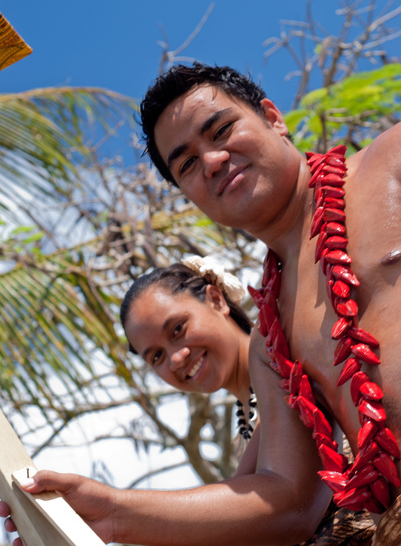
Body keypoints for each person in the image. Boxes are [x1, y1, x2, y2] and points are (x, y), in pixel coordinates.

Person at [2, 61, 396, 543]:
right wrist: (109, 512)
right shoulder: (271, 343)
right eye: (186, 163)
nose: (212, 161)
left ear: (273, 117)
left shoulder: (389, 164)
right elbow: (288, 499)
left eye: (222, 130)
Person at [0, 258, 374, 545]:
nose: (176, 358)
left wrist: (113, 513)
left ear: (215, 299)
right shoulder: (243, 423)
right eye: (157, 357)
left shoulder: (281, 347)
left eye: (178, 330)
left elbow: (288, 507)